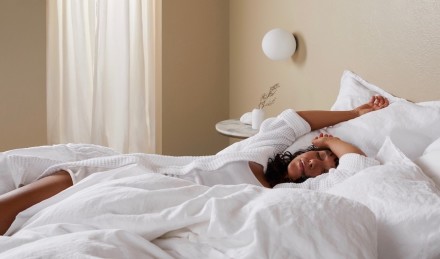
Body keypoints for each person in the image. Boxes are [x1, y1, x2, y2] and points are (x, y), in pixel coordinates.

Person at [0, 95, 389, 235]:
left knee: (45, 221)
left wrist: (335, 144)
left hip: (153, 196)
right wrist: (352, 112)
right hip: (136, 168)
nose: (315, 164)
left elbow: (355, 167)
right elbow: (294, 120)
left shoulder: (270, 200)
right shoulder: (255, 154)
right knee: (42, 188)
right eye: (316, 155)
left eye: (323, 168)